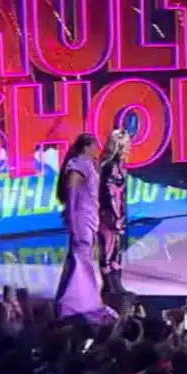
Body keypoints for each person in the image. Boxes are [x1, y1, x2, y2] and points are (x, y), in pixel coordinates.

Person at [55, 134, 115, 323]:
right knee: (81, 258)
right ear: (86, 147)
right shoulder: (78, 164)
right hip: (81, 219)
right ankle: (78, 303)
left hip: (90, 218)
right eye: (94, 145)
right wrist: (72, 219)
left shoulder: (90, 165)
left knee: (81, 258)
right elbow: (72, 194)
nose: (97, 149)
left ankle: (77, 301)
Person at [98, 128, 131, 301]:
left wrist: (122, 216)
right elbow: (109, 194)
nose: (129, 148)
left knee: (117, 251)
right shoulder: (109, 167)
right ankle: (108, 287)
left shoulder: (120, 166)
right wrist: (115, 217)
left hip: (118, 214)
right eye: (126, 145)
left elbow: (121, 194)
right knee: (108, 250)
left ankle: (117, 285)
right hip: (109, 215)